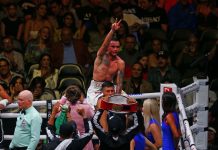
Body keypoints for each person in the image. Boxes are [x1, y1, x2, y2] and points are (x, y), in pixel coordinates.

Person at [87, 19, 125, 107]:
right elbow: (104, 44)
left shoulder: (120, 62)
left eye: (117, 47)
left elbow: (119, 83)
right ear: (108, 47)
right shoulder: (101, 56)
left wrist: (117, 99)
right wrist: (112, 30)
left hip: (110, 87)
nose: (115, 49)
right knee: (100, 105)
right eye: (113, 47)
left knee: (127, 102)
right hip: (96, 88)